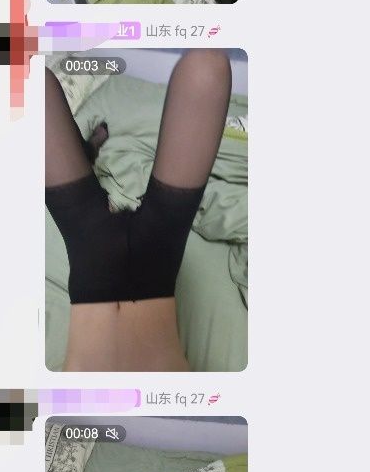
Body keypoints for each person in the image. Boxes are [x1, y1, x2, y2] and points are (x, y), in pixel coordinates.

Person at [45, 51, 232, 372]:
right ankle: (85, 154)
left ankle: (85, 154)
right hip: (155, 271)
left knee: (23, 81)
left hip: (92, 253)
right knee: (207, 66)